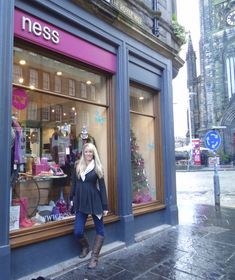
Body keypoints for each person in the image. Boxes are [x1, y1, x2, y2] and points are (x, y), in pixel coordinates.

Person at [70, 142, 108, 269]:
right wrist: (71, 199)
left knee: (100, 230)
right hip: (81, 201)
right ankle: (85, 246)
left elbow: (102, 188)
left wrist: (105, 206)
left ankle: (94, 257)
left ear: (93, 153)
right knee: (77, 231)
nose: (88, 154)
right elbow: (74, 184)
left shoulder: (97, 167)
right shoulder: (77, 165)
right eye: (86, 151)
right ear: (83, 153)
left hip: (95, 201)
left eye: (90, 151)